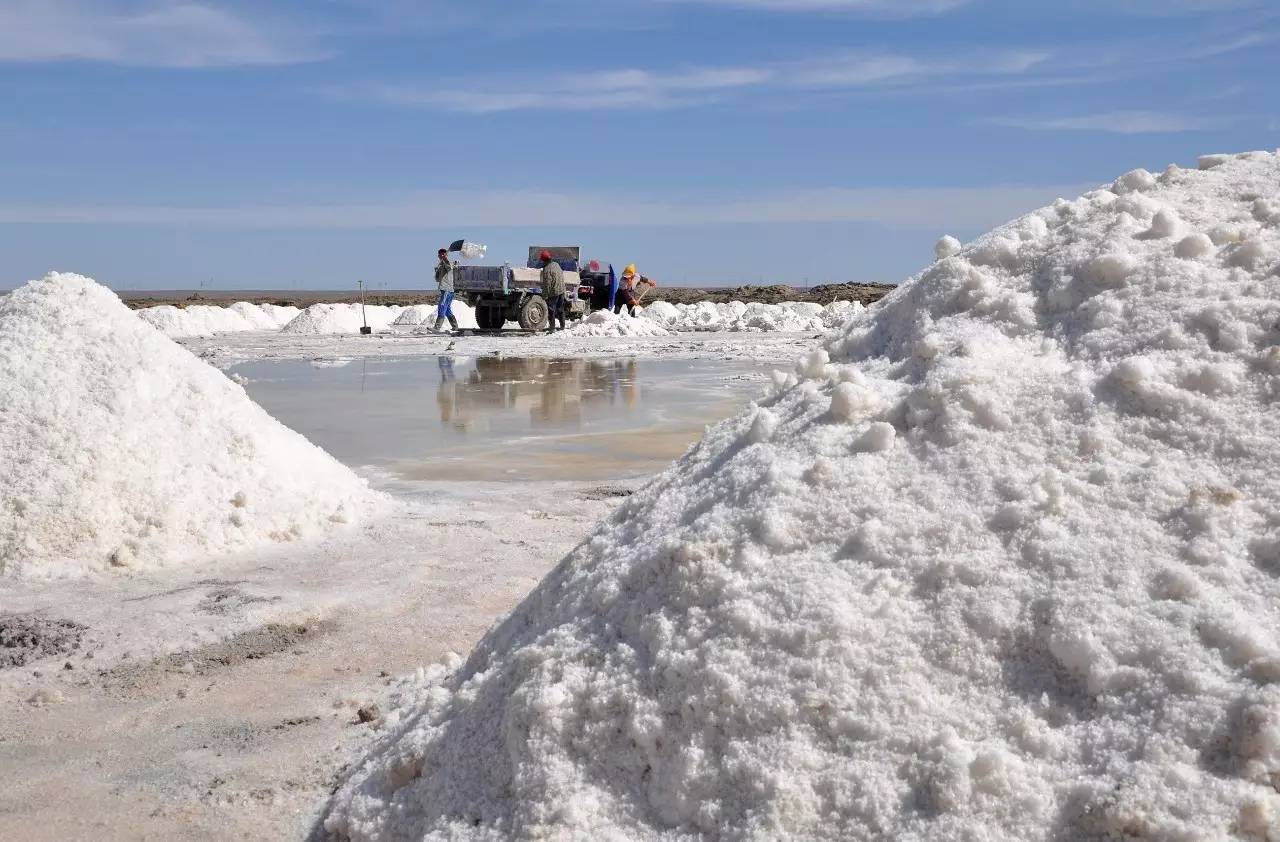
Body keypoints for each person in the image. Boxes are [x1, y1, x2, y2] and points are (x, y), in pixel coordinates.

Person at [540, 249, 567, 333]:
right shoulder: (556, 264)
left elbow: (547, 284)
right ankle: (562, 326)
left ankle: (552, 328)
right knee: (560, 309)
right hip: (561, 290)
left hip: (553, 292)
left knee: (551, 310)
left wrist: (544, 295)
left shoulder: (547, 269)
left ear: (544, 260)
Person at [433, 247, 459, 332]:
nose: (441, 255)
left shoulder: (449, 263)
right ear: (438, 255)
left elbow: (448, 266)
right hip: (444, 289)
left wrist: (445, 259)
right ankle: (455, 327)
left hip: (448, 289)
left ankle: (437, 327)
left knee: (442, 306)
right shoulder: (440, 265)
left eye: (443, 254)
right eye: (440, 254)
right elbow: (437, 279)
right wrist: (437, 271)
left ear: (446, 255)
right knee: (447, 310)